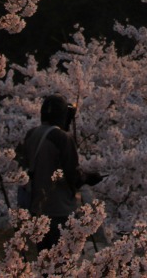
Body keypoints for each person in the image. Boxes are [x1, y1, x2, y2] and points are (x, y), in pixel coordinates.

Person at [18, 95, 98, 252]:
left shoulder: (31, 134)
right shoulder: (61, 138)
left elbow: (21, 164)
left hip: (37, 207)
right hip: (59, 209)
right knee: (61, 261)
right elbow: (73, 176)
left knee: (44, 259)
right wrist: (89, 177)